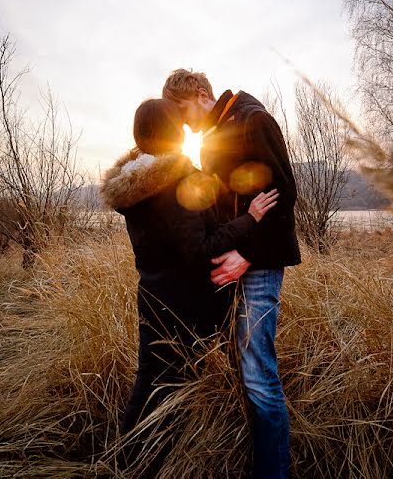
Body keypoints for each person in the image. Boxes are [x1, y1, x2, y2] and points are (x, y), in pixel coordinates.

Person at [101, 98, 279, 475]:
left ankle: (126, 460)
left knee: (150, 377)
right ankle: (151, 462)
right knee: (172, 385)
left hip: (152, 297)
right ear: (175, 132)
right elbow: (201, 248)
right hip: (187, 304)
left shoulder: (134, 186)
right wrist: (250, 218)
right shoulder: (178, 181)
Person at [163, 69, 301, 479]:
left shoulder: (252, 119)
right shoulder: (212, 137)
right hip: (231, 265)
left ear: (202, 93)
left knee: (259, 377)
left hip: (257, 265)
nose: (184, 125)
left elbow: (283, 196)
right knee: (241, 369)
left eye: (185, 112)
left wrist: (245, 253)